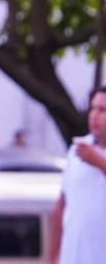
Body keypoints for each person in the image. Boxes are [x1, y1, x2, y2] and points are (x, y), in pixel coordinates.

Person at [49, 87, 106, 264]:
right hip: (72, 256)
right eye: (92, 108)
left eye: (102, 110)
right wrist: (53, 256)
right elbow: (61, 205)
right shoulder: (77, 150)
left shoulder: (92, 155)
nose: (94, 115)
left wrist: (100, 162)